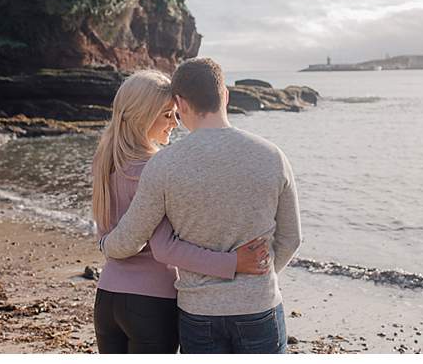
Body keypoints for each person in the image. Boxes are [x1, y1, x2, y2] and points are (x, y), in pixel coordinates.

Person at [103, 57, 302, 354]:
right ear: (226, 96)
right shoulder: (272, 156)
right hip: (258, 305)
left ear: (180, 104)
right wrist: (259, 276)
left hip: (198, 313)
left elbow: (132, 237)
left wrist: (105, 245)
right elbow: (291, 238)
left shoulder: (164, 165)